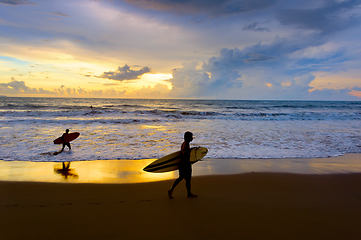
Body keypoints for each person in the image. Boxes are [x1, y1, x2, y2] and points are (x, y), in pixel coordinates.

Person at [168, 131, 197, 198]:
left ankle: (172, 190)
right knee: (187, 179)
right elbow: (185, 158)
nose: (192, 138)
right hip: (185, 165)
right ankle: (188, 193)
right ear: (188, 138)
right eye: (191, 137)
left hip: (182, 165)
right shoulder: (186, 147)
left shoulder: (184, 143)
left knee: (182, 178)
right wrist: (192, 162)